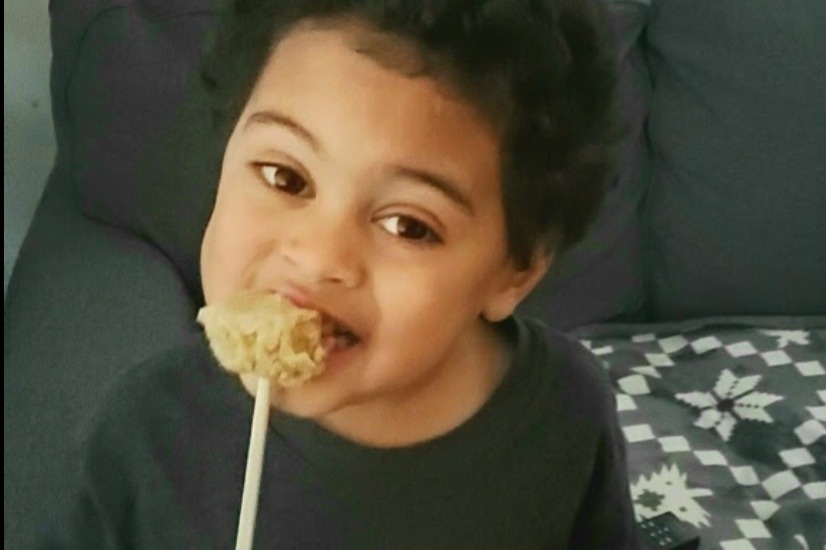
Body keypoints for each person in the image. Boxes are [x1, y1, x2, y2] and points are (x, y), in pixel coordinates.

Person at [45, 0, 639, 547]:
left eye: (408, 225)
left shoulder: (566, 414)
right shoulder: (148, 438)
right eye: (284, 177)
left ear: (514, 275)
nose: (318, 256)